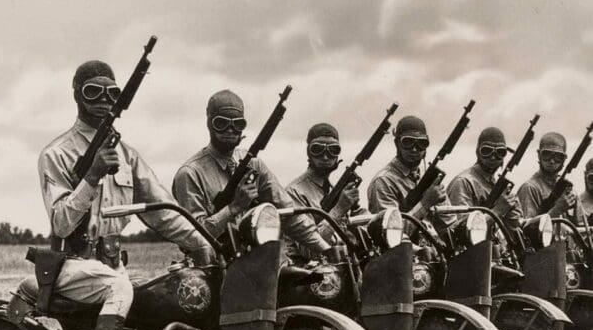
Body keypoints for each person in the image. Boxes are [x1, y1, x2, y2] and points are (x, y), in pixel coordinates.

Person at [38, 60, 204, 330]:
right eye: (92, 92)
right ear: (77, 95)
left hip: (113, 264)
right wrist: (93, 176)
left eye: (111, 93)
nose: (103, 101)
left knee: (166, 301)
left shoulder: (128, 154)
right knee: (119, 288)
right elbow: (61, 221)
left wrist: (202, 243)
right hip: (71, 264)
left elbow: (164, 211)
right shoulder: (57, 154)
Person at [172, 89, 331, 256]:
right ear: (209, 123)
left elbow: (290, 215)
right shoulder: (190, 173)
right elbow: (193, 238)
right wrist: (233, 208)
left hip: (258, 261)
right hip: (212, 267)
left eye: (238, 124)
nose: (230, 130)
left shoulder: (254, 165)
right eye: (221, 123)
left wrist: (326, 249)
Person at [284, 122, 361, 260]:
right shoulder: (294, 192)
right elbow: (309, 251)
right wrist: (339, 209)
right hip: (308, 274)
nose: (325, 157)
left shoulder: (333, 190)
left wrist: (354, 208)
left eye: (333, 150)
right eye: (317, 149)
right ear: (309, 152)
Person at [367, 115, 452, 229]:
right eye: (407, 142)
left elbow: (451, 224)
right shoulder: (384, 182)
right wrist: (426, 204)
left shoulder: (428, 177)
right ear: (397, 144)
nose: (414, 149)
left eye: (421, 143)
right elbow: (391, 234)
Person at [447, 127, 522, 230]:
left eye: (500, 152)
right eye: (487, 151)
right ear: (478, 152)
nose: (493, 157)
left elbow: (515, 228)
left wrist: (512, 210)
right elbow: (461, 231)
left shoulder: (495, 184)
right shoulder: (463, 182)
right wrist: (498, 211)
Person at [517, 132, 576, 218]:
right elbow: (526, 229)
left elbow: (582, 226)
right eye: (546, 154)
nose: (552, 161)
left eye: (558, 156)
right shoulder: (530, 188)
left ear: (564, 159)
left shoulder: (567, 189)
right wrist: (556, 211)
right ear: (539, 155)